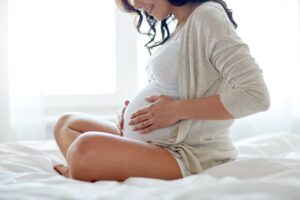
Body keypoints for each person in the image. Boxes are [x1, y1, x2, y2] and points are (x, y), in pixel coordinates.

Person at [53, 0, 270, 182]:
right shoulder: (181, 25)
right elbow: (174, 90)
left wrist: (175, 110)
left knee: (84, 148)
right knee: (67, 124)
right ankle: (92, 166)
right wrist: (132, 115)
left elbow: (256, 95)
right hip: (154, 143)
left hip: (185, 153)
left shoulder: (207, 16)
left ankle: (80, 168)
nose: (136, 5)